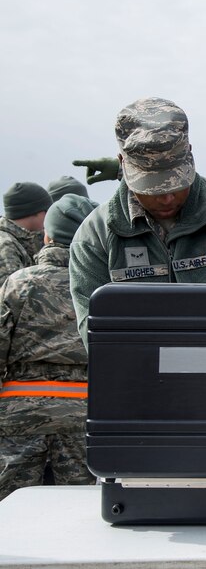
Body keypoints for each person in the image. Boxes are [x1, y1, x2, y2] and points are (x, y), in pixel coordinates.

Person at [69, 97, 206, 347]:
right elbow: (98, 337)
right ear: (124, 165)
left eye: (176, 182)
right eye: (152, 187)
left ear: (190, 155)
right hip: (141, 381)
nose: (167, 197)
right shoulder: (94, 237)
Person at [0, 194, 97, 500]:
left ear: (47, 235)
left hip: (19, 416)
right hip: (85, 416)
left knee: (11, 515)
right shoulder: (101, 287)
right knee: (77, 514)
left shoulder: (19, 283)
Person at [0, 183, 52, 288]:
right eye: (47, 211)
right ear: (37, 212)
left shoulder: (19, 239)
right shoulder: (5, 245)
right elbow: (14, 293)